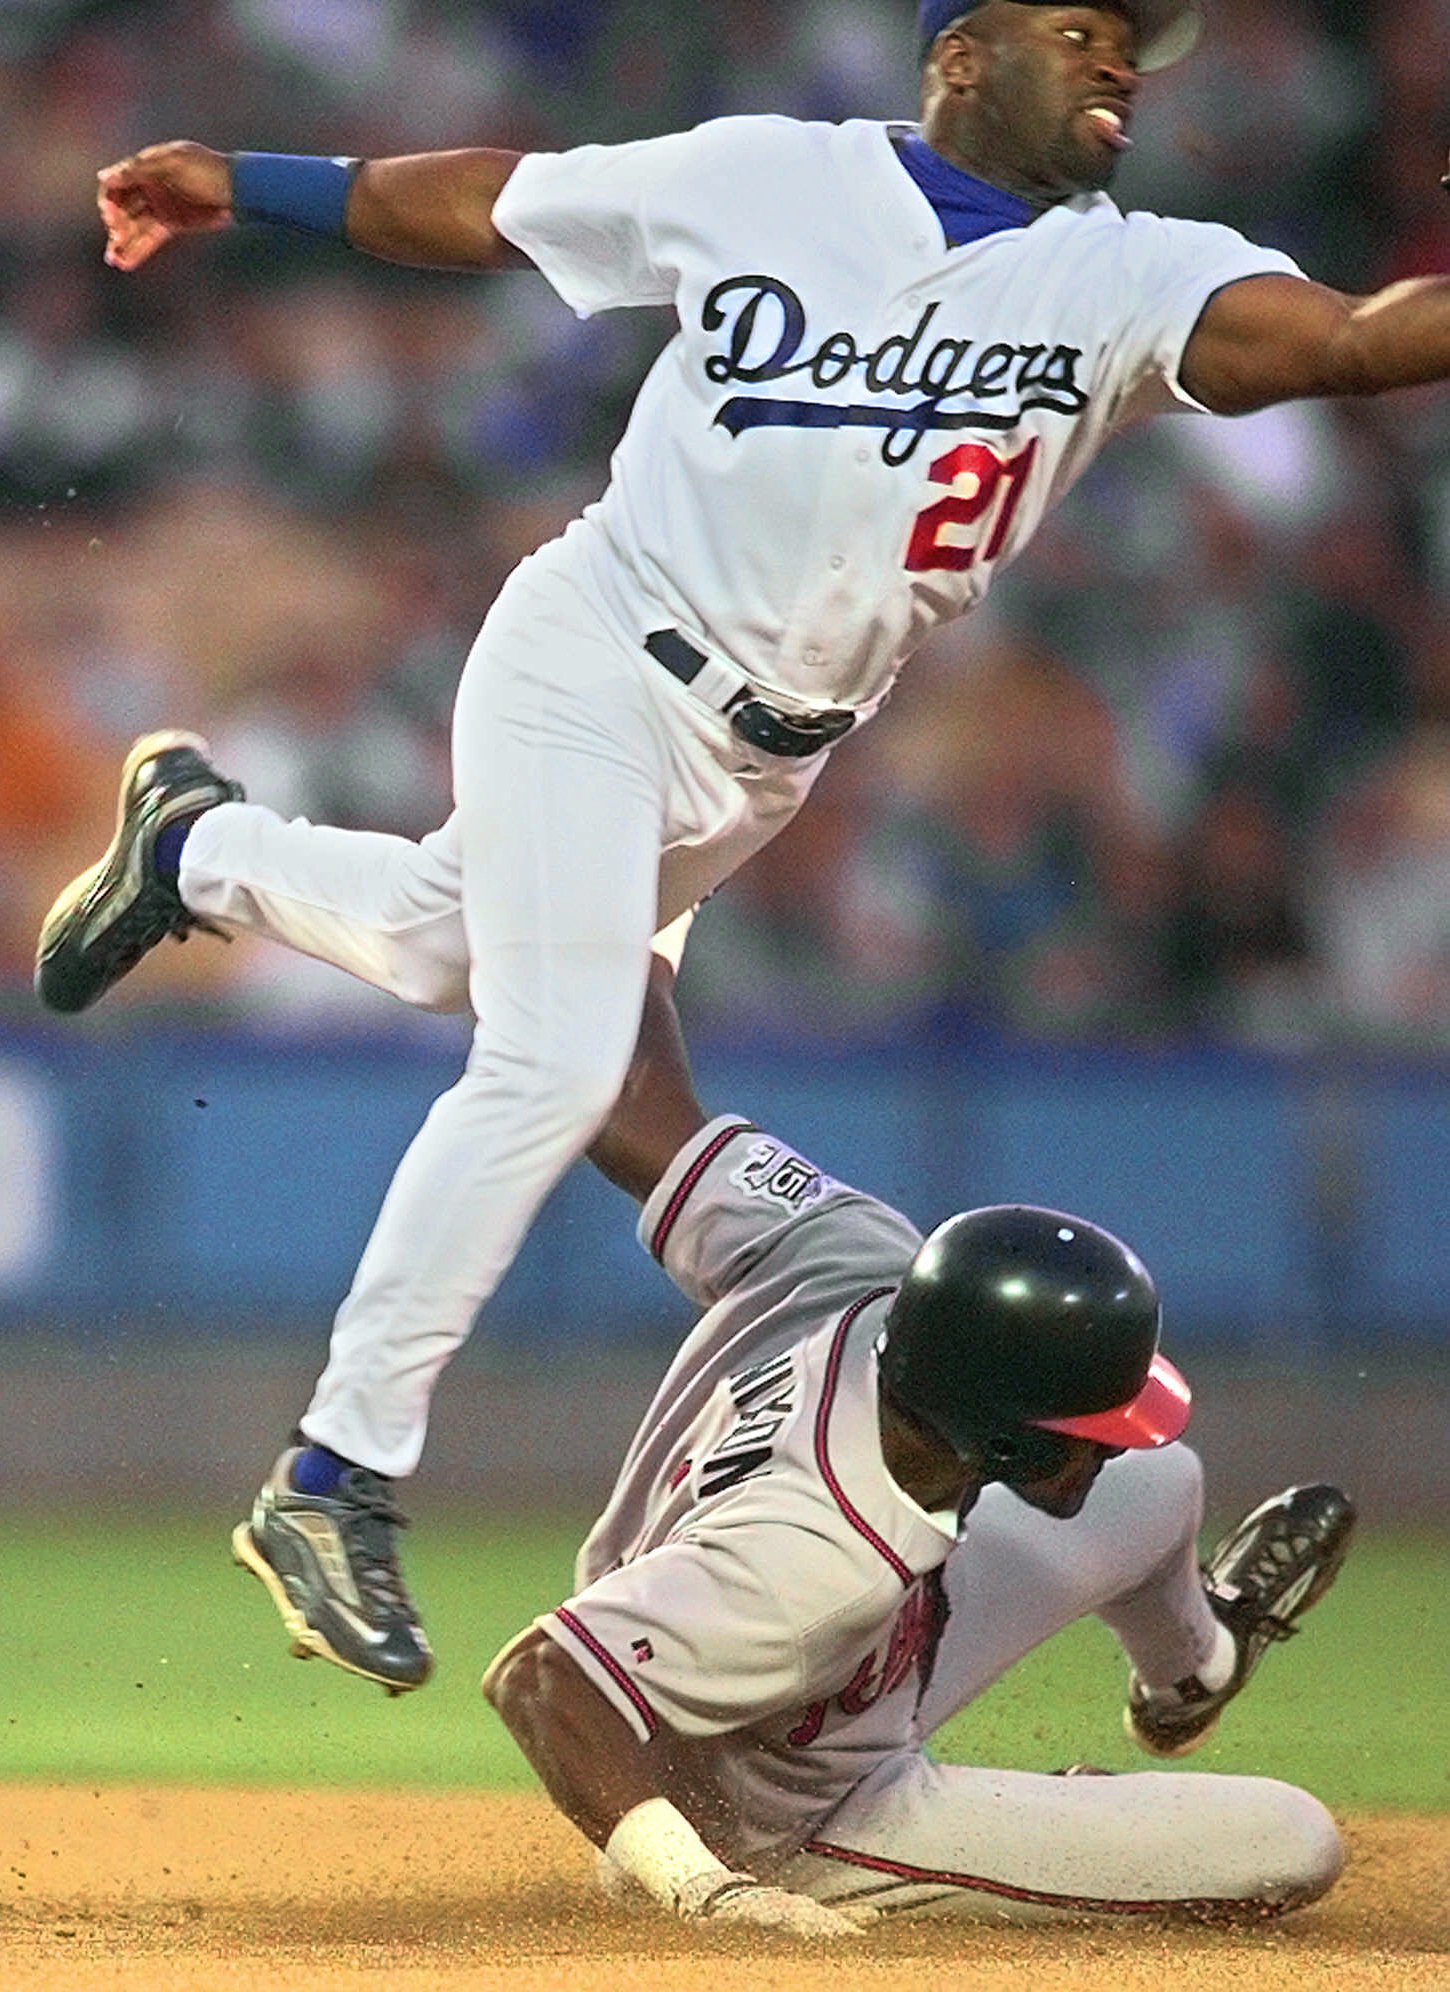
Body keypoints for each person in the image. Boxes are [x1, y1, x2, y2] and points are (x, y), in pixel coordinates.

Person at [36, 0, 1435, 1689]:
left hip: (762, 761)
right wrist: (246, 183)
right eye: (1083, 24)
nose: (1127, 56)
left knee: (426, 937)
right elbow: (493, 200)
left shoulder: (1135, 278)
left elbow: (1356, 336)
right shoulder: (773, 178)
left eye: (1138, 36)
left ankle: (196, 852)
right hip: (601, 653)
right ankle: (339, 1468)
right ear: (964, 51)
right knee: (551, 1061)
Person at [480, 954, 1354, 1938]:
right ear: (995, 1433)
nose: (1105, 1448)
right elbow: (542, 1679)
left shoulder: (857, 1259)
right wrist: (698, 1883)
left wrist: (629, 935)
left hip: (831, 1641)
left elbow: (641, 1113)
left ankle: (1196, 1667)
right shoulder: (811, 1563)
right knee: (1291, 1839)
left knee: (1161, 1480)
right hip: (787, 1812)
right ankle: (1045, 1830)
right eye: (1083, 1436)